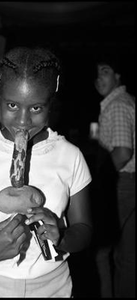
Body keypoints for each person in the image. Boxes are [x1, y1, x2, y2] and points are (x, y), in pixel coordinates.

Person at [0, 46, 93, 298]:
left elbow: (84, 228)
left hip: (52, 285)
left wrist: (62, 236)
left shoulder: (71, 156)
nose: (23, 121)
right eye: (12, 105)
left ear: (51, 103)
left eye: (36, 108)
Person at [93, 54, 135, 298]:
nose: (99, 78)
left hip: (121, 184)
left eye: (105, 71)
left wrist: (100, 179)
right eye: (97, 73)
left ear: (118, 76)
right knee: (127, 254)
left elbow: (122, 152)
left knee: (102, 250)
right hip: (130, 182)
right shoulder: (127, 101)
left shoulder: (117, 104)